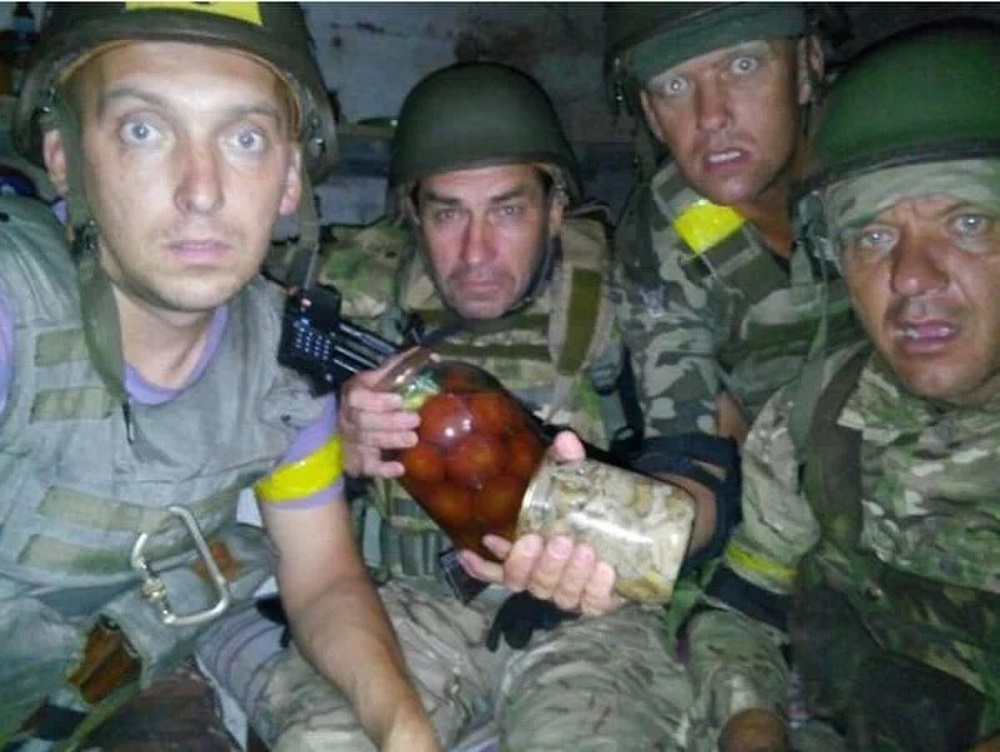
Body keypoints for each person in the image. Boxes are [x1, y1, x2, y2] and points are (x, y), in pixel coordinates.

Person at [0, 3, 436, 751]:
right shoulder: (13, 316)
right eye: (144, 130)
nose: (201, 190)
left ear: (289, 177)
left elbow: (322, 578)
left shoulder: (282, 371)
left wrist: (404, 730)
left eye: (244, 138)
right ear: (65, 155)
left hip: (110, 691)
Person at [243, 61, 702, 752]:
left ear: (555, 208)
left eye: (508, 210)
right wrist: (337, 448)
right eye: (447, 213)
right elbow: (237, 454)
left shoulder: (635, 301)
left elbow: (706, 477)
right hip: (403, 604)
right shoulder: (346, 300)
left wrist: (625, 553)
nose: (476, 251)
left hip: (591, 618)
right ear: (413, 214)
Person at [683, 22, 1000, 751]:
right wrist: (752, 728)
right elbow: (744, 606)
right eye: (874, 237)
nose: (911, 277)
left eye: (968, 222)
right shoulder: (817, 413)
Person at [604, 3, 862, 531]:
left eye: (744, 66)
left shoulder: (892, 152)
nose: (711, 116)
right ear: (651, 115)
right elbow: (690, 451)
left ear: (807, 67)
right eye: (675, 85)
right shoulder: (659, 237)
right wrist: (641, 540)